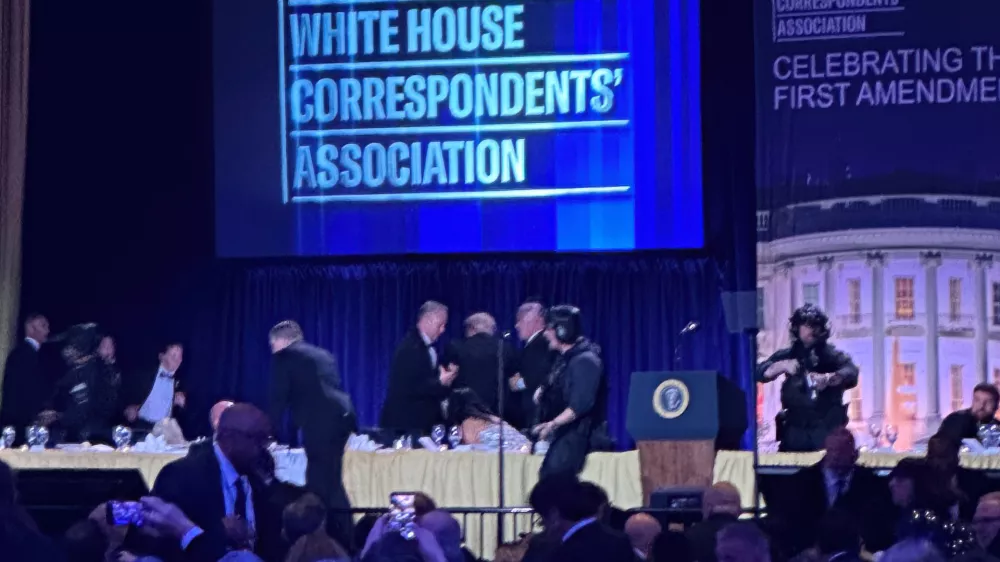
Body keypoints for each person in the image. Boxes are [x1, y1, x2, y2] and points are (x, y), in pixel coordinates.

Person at [151, 403, 285, 562]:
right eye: (257, 438)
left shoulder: (260, 476)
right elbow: (161, 544)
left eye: (266, 440)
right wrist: (219, 534)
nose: (264, 448)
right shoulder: (182, 476)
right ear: (229, 438)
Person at [268, 320, 356, 550]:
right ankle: (344, 538)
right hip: (341, 421)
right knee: (331, 482)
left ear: (281, 341)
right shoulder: (323, 355)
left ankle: (320, 541)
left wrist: (265, 432)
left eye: (272, 345)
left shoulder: (285, 357)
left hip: (320, 425)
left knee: (319, 485)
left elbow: (278, 398)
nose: (272, 351)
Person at [756, 305, 859, 452]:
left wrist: (829, 378)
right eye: (808, 325)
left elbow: (851, 372)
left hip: (826, 432)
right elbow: (760, 372)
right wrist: (782, 366)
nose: (813, 330)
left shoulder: (833, 356)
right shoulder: (788, 355)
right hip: (795, 434)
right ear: (797, 327)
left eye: (817, 325)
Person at [532, 305, 608, 478]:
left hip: (579, 436)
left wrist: (552, 424)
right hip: (564, 434)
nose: (545, 334)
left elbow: (580, 405)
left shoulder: (586, 361)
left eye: (549, 329)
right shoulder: (563, 360)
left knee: (554, 479)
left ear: (563, 330)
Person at [380, 301, 458, 437]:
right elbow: (409, 386)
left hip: (421, 425)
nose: (443, 330)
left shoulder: (426, 348)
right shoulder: (410, 348)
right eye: (440, 325)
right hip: (406, 426)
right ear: (428, 320)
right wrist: (440, 382)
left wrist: (446, 381)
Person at [46, 323, 120, 444]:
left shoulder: (97, 371)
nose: (67, 351)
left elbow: (87, 409)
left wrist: (58, 416)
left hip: (90, 437)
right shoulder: (71, 373)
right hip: (69, 434)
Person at [443, 312, 516, 417]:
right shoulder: (505, 348)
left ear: (471, 328)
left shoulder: (456, 348)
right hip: (497, 414)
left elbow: (447, 380)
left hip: (464, 412)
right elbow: (515, 381)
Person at [0, 313, 51, 443]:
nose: (47, 331)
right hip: (21, 423)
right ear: (31, 328)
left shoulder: (29, 354)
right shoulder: (23, 355)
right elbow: (20, 390)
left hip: (23, 421)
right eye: (43, 326)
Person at [510, 301, 557, 430]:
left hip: (537, 414)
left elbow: (532, 380)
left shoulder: (539, 345)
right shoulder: (535, 344)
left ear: (536, 320)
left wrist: (514, 383)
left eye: (520, 320)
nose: (516, 325)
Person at [123, 343, 187, 432]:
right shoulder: (144, 375)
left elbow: (186, 412)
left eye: (180, 357)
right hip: (142, 426)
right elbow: (124, 396)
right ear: (162, 356)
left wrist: (181, 404)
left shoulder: (181, 381)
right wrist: (127, 409)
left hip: (165, 430)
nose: (177, 360)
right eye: (173, 355)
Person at [445, 387, 531, 451]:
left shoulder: (469, 422)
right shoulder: (491, 418)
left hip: (508, 452)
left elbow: (471, 447)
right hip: (524, 447)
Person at [936, 383, 1000, 445]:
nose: (981, 406)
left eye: (988, 402)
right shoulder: (955, 420)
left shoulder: (997, 426)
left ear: (996, 406)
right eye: (977, 400)